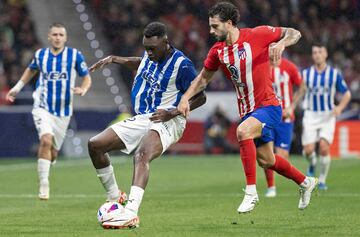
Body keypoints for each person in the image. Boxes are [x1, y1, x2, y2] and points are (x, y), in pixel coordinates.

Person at [177, 2, 317, 213]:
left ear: (230, 23)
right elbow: (202, 80)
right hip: (248, 112)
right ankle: (306, 182)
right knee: (267, 160)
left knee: (242, 131)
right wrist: (185, 98)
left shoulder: (258, 34)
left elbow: (294, 32)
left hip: (269, 106)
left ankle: (251, 193)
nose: (211, 31)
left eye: (215, 26)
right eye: (210, 26)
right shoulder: (218, 52)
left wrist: (282, 44)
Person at [87, 22, 206, 229]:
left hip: (170, 119)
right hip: (145, 117)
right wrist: (115, 59)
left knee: (141, 155)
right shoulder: (150, 57)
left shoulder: (182, 65)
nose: (149, 53)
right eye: (146, 48)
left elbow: (201, 97)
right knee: (95, 144)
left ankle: (131, 213)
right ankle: (115, 196)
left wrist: (175, 111)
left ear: (166, 43)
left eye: (153, 48)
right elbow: (140, 63)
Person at [5, 23, 92, 200]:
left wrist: (83, 89)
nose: (58, 37)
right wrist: (17, 87)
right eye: (55, 34)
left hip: (64, 111)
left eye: (61, 34)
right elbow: (30, 70)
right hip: (42, 106)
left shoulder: (74, 56)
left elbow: (87, 78)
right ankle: (44, 183)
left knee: (53, 151)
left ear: (65, 38)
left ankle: (48, 163)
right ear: (49, 37)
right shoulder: (41, 55)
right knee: (45, 140)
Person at [302, 42, 351, 190]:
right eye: (315, 52)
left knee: (324, 147)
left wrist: (340, 108)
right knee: (308, 150)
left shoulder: (334, 74)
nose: (317, 55)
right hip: (310, 114)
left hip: (327, 115)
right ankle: (312, 162)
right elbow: (300, 92)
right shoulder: (306, 74)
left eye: (320, 52)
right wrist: (292, 105)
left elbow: (347, 94)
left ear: (326, 54)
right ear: (312, 55)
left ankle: (321, 180)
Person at [263, 55, 306, 198]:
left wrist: (292, 106)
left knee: (282, 156)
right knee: (266, 152)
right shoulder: (263, 66)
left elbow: (302, 86)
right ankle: (271, 187)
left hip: (286, 118)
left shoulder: (290, 67)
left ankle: (300, 180)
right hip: (268, 116)